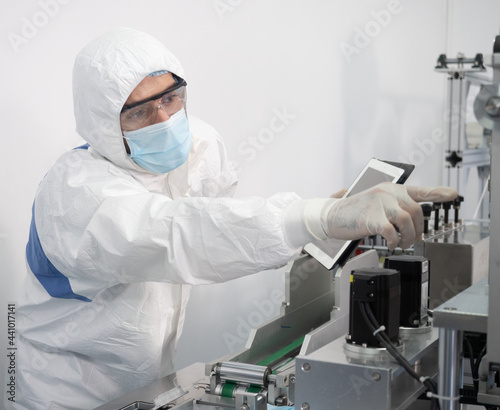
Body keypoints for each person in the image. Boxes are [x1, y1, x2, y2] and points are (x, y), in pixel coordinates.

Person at [12, 27, 457, 409]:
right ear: (102, 123)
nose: (165, 118)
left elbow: (221, 224)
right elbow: (179, 235)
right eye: (140, 111)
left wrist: (334, 216)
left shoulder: (196, 148)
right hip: (66, 392)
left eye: (171, 96)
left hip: (150, 385)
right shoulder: (74, 196)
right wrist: (318, 216)